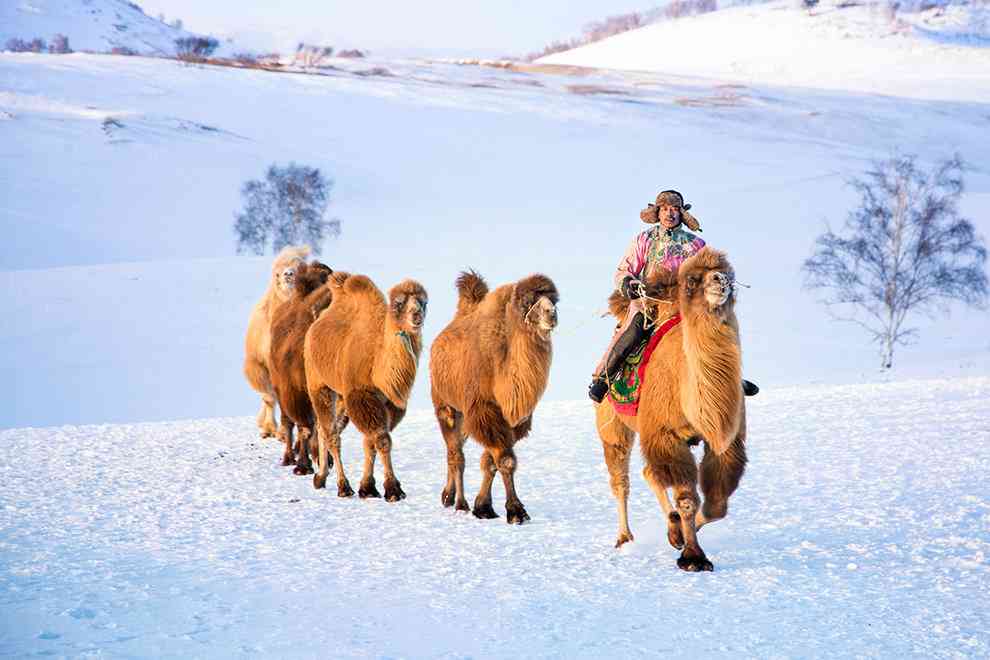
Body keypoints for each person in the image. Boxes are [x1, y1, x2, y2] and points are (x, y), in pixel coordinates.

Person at [588, 190, 758, 403]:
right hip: (650, 301)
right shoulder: (644, 239)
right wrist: (628, 282)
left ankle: (732, 378)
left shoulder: (697, 245)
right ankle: (605, 378)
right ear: (657, 212)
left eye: (675, 209)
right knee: (634, 330)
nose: (670, 213)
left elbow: (708, 270)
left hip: (686, 303)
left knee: (717, 328)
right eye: (665, 209)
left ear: (682, 214)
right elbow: (624, 269)